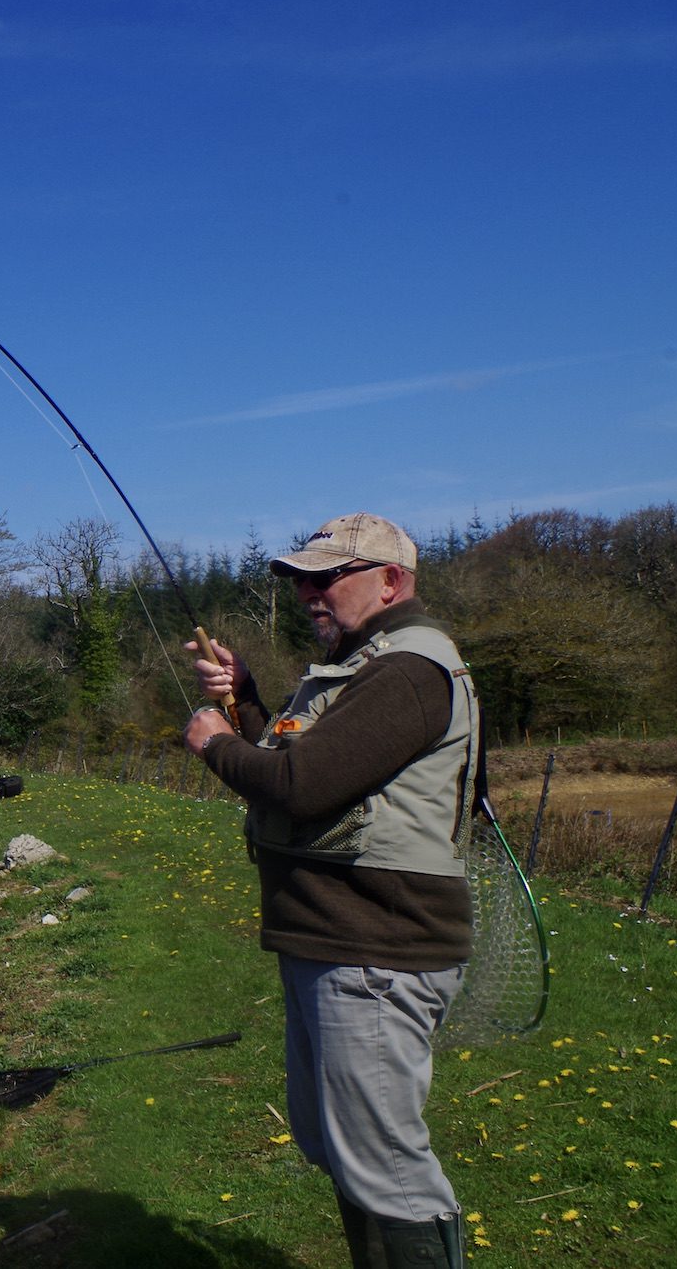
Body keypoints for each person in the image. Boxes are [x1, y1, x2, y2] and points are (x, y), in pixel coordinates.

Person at [183, 512, 475, 1269]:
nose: (310, 593)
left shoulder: (407, 671)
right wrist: (245, 700)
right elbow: (296, 759)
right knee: (340, 1150)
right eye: (302, 581)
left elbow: (300, 786)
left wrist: (212, 742)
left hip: (374, 951)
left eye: (328, 578)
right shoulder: (360, 662)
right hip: (330, 944)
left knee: (387, 1171)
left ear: (391, 581)